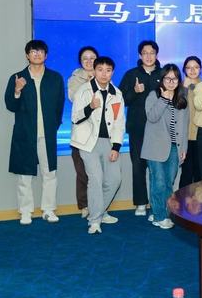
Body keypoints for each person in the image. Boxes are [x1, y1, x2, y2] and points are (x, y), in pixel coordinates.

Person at [4, 40, 65, 225]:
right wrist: (17, 90)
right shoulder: (17, 77)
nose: (37, 54)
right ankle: (25, 211)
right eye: (33, 51)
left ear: (46, 55)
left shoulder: (55, 78)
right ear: (27, 55)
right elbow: (10, 105)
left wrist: (53, 126)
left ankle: (48, 209)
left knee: (50, 173)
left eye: (40, 51)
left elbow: (59, 106)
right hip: (25, 134)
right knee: (24, 175)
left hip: (47, 134)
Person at [70, 56, 125, 234]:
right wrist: (90, 107)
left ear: (112, 72)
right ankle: (94, 221)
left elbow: (119, 123)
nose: (104, 74)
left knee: (114, 180)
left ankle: (99, 211)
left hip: (109, 142)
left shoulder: (117, 93)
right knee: (95, 179)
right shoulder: (83, 91)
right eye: (100, 70)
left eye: (108, 70)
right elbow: (75, 118)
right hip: (88, 143)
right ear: (94, 71)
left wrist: (116, 147)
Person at [141, 64, 189, 229]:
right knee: (159, 181)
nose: (171, 82)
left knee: (168, 182)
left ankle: (160, 212)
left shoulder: (182, 98)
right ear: (162, 80)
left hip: (175, 147)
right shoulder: (153, 95)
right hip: (155, 147)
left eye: (174, 79)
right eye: (167, 78)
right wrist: (163, 99)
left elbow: (184, 126)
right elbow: (152, 117)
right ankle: (160, 216)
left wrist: (184, 148)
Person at [119, 40, 162, 216]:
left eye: (152, 53)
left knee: (157, 168)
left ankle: (157, 203)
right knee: (138, 166)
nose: (149, 56)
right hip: (137, 128)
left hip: (159, 130)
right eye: (145, 53)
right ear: (140, 55)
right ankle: (141, 203)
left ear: (156, 55)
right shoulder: (131, 75)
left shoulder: (164, 74)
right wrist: (134, 92)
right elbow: (121, 100)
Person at [67, 45, 98, 218]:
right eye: (85, 58)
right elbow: (74, 98)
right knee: (82, 172)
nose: (89, 61)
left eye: (92, 58)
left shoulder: (104, 76)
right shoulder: (74, 79)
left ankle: (99, 204)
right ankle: (85, 205)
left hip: (100, 133)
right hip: (81, 133)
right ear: (80, 61)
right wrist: (89, 82)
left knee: (99, 173)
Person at [178, 56, 202, 187]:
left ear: (201, 69)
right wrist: (184, 88)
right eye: (189, 67)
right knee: (186, 173)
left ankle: (199, 200)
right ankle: (182, 200)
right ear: (184, 70)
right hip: (185, 136)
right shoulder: (178, 86)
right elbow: (177, 106)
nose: (192, 70)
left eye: (196, 67)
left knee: (200, 172)